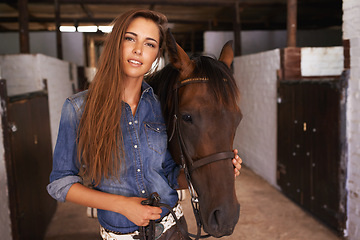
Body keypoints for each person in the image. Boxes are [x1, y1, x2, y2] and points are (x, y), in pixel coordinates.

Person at [47, 9, 242, 240]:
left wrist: (219, 166)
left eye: (149, 44)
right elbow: (60, 183)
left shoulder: (160, 105)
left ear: (156, 55)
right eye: (130, 38)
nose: (138, 50)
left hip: (173, 229)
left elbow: (169, 173)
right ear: (115, 44)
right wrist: (122, 205)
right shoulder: (78, 108)